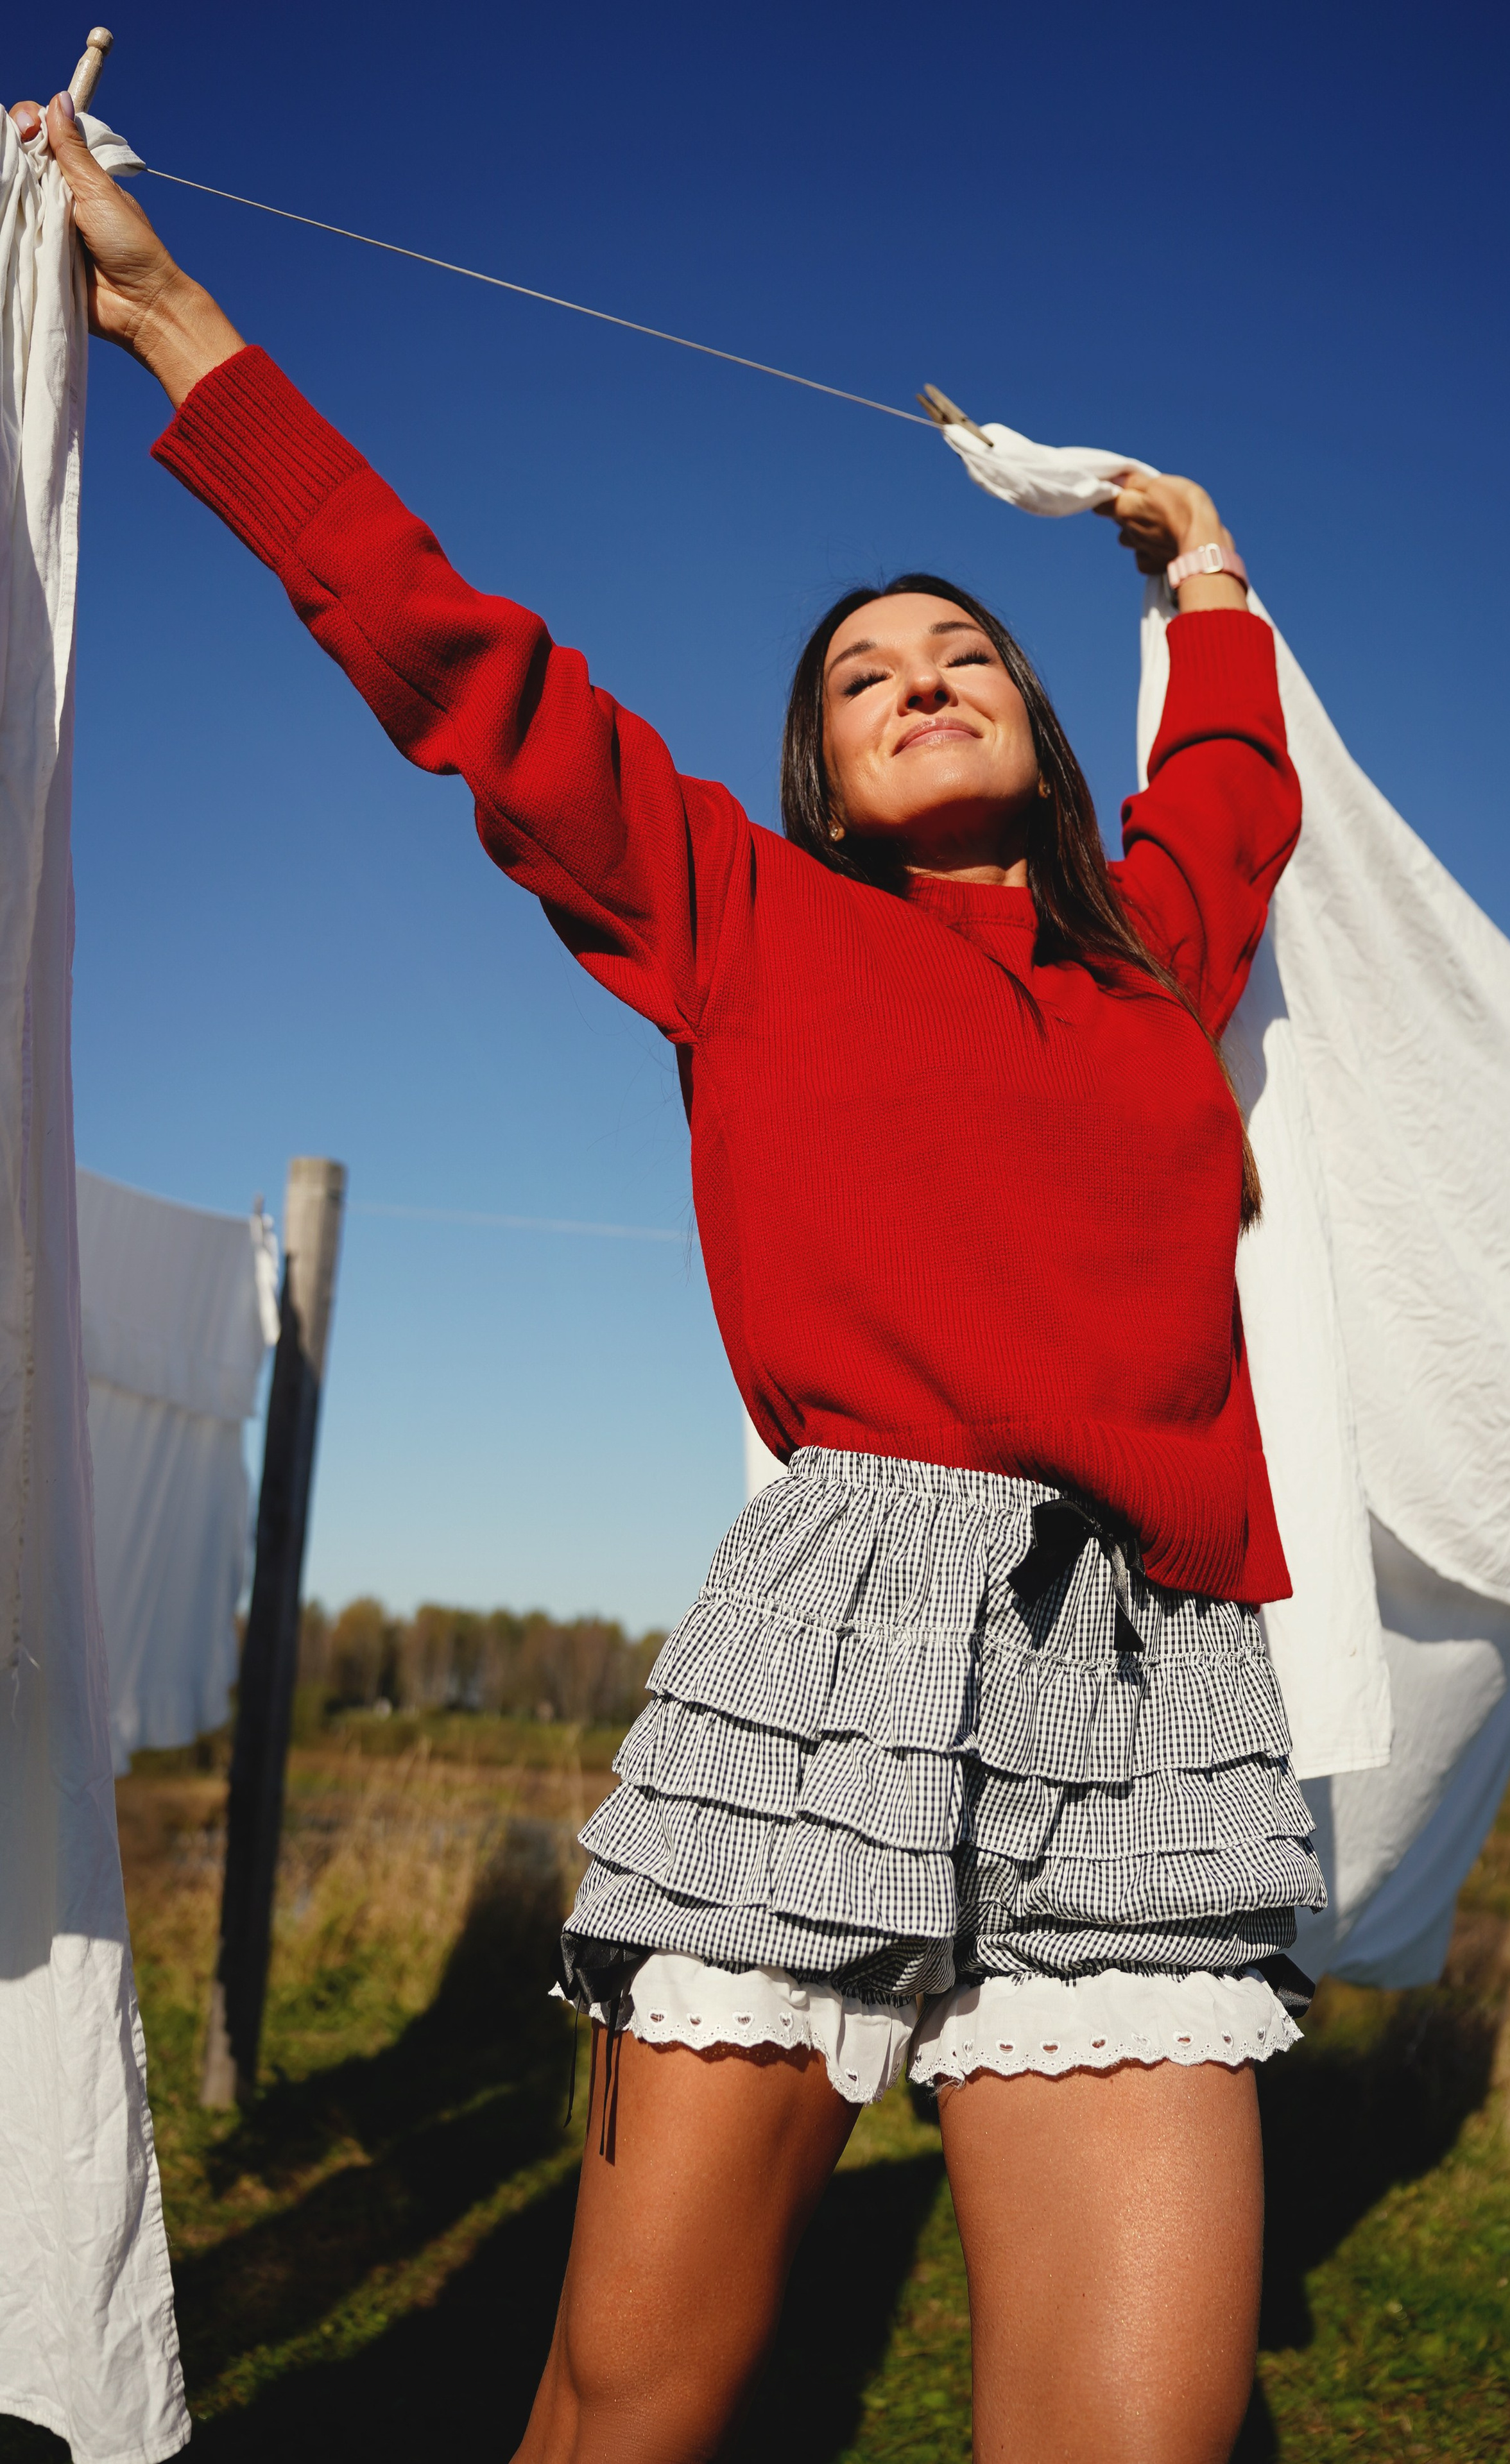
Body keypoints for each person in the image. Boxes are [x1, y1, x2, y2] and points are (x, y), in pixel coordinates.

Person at [16, 88, 1326, 2464]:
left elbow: (1234, 788)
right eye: (866, 673)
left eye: (969, 657)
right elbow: (456, 662)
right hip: (834, 1637)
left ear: (1040, 736)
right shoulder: (744, 922)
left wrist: (1204, 566)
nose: (927, 676)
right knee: (635, 2405)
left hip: (1156, 1680)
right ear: (816, 773)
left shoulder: (1162, 977)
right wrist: (177, 322)